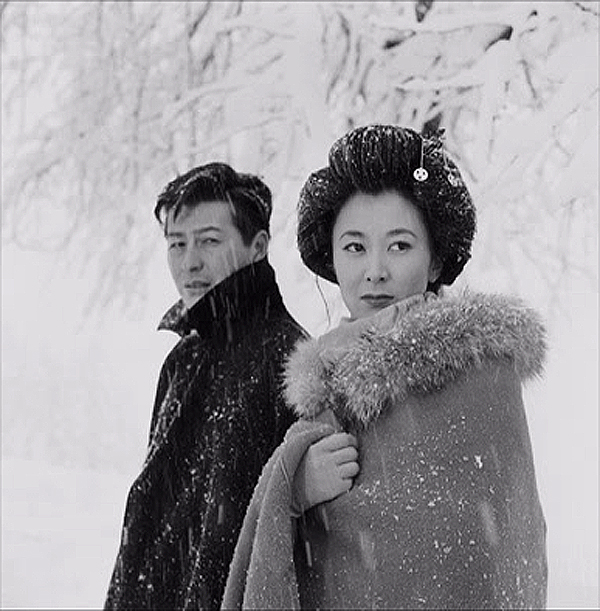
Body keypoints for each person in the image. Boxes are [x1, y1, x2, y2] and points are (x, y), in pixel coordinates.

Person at [222, 125, 548, 609]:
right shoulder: (325, 388)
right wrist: (293, 487)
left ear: (435, 259)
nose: (375, 270)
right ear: (332, 258)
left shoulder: (481, 375)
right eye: (355, 247)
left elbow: (498, 557)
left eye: (399, 246)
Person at [104, 162, 308, 610]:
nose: (189, 262)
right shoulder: (183, 361)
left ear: (257, 248)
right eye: (177, 244)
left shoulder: (289, 362)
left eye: (209, 241)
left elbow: (288, 537)